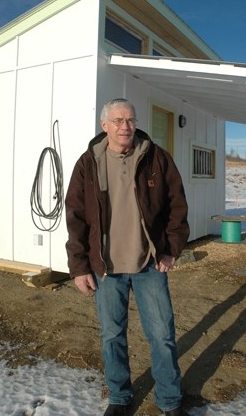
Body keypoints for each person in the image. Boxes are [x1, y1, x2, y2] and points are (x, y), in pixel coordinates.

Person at [65, 98, 190, 416]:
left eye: (130, 120)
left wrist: (171, 249)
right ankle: (120, 397)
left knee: (162, 336)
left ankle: (170, 400)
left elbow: (177, 206)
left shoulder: (156, 158)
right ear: (104, 125)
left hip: (149, 264)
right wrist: (79, 267)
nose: (126, 126)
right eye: (118, 121)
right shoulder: (88, 163)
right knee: (112, 335)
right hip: (105, 268)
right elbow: (76, 216)